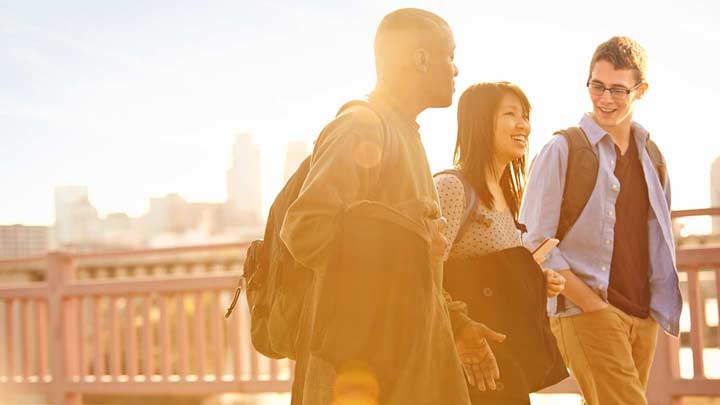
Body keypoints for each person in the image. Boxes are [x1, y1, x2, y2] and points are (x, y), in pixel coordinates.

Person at [280, 8, 495, 405]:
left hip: (410, 365)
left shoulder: (406, 134)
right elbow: (305, 229)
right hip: (364, 374)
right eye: (449, 55)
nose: (456, 69)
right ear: (420, 58)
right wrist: (406, 246)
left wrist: (459, 324)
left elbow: (412, 264)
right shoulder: (361, 126)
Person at [519, 36, 682, 405]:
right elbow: (534, 239)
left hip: (642, 313)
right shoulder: (562, 149)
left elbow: (658, 236)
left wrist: (651, 311)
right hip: (586, 310)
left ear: (641, 90)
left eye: (618, 90)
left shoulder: (652, 156)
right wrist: (592, 304)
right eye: (597, 86)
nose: (605, 99)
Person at [435, 82, 567, 404]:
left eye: (525, 116)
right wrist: (460, 329)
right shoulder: (451, 188)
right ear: (481, 122)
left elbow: (489, 272)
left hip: (504, 366)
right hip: (466, 365)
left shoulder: (508, 198)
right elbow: (422, 275)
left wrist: (537, 280)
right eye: (510, 114)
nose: (524, 125)